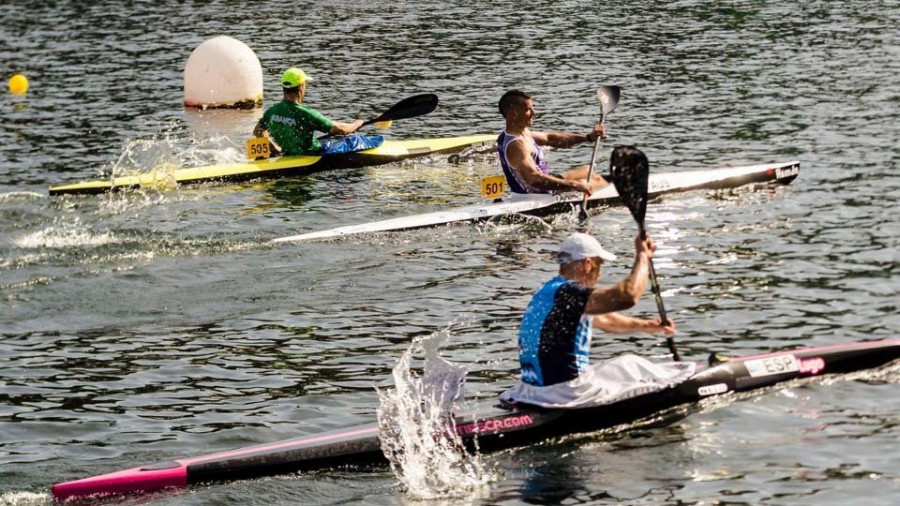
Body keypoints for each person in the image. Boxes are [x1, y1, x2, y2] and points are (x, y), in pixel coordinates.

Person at [500, 232, 693, 408]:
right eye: (599, 265)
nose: (600, 273)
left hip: (531, 389)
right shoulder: (572, 292)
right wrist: (643, 257)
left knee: (626, 364)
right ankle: (687, 379)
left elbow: (605, 319)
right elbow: (627, 296)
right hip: (565, 393)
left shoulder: (549, 291)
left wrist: (646, 325)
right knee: (634, 366)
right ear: (587, 264)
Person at [497, 89, 610, 196]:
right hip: (538, 196)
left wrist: (588, 137)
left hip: (541, 185)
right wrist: (574, 185)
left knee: (587, 169)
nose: (534, 113)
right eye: (528, 109)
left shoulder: (519, 133)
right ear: (513, 114)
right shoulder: (516, 145)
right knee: (599, 180)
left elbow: (551, 139)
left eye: (532, 108)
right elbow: (533, 179)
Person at [253, 68, 365, 156]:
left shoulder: (271, 112)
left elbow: (258, 131)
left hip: (287, 153)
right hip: (311, 155)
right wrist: (357, 124)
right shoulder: (306, 113)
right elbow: (340, 129)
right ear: (301, 87)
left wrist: (274, 148)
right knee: (354, 140)